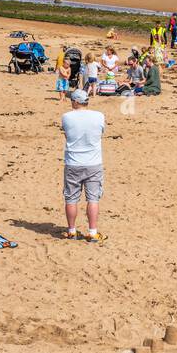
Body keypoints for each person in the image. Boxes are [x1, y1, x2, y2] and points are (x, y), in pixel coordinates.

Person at [61, 89, 106, 241]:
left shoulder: (67, 117)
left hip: (73, 162)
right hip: (93, 162)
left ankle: (72, 230)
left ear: (75, 101)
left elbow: (67, 135)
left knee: (71, 199)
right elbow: (100, 134)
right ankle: (93, 232)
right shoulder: (99, 116)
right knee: (93, 199)